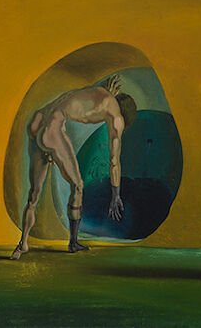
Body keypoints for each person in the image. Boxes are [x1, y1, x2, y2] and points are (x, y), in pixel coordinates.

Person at [10, 74, 137, 259]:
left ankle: (22, 245)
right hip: (52, 129)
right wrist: (116, 194)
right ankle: (73, 242)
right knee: (77, 185)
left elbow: (81, 102)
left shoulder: (102, 94)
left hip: (38, 121)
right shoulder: (117, 118)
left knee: (34, 195)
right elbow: (114, 161)